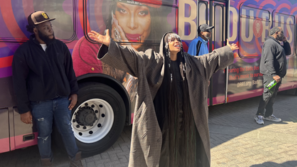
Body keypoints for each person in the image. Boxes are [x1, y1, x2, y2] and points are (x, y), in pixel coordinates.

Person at [88, 29, 238, 167]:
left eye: (178, 39)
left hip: (186, 122)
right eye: (172, 39)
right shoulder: (152, 62)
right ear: (165, 43)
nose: (176, 41)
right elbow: (132, 57)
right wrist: (111, 45)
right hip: (163, 122)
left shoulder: (192, 63)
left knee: (186, 153)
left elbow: (210, 59)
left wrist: (228, 50)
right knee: (163, 155)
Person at [12, 11, 82, 167]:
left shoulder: (60, 47)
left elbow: (70, 72)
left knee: (67, 131)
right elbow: (18, 82)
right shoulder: (24, 52)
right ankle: (46, 163)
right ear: (36, 30)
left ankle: (76, 162)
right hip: (40, 104)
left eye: (50, 26)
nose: (50, 29)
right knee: (44, 135)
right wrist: (24, 109)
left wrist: (74, 92)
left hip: (63, 101)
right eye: (45, 27)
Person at [254, 26, 291, 125]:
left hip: (277, 76)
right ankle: (259, 114)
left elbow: (288, 52)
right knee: (267, 94)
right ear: (276, 32)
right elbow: (268, 60)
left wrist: (285, 42)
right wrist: (274, 74)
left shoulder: (277, 43)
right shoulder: (269, 43)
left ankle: (268, 114)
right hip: (271, 75)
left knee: (272, 95)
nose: (283, 34)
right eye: (281, 32)